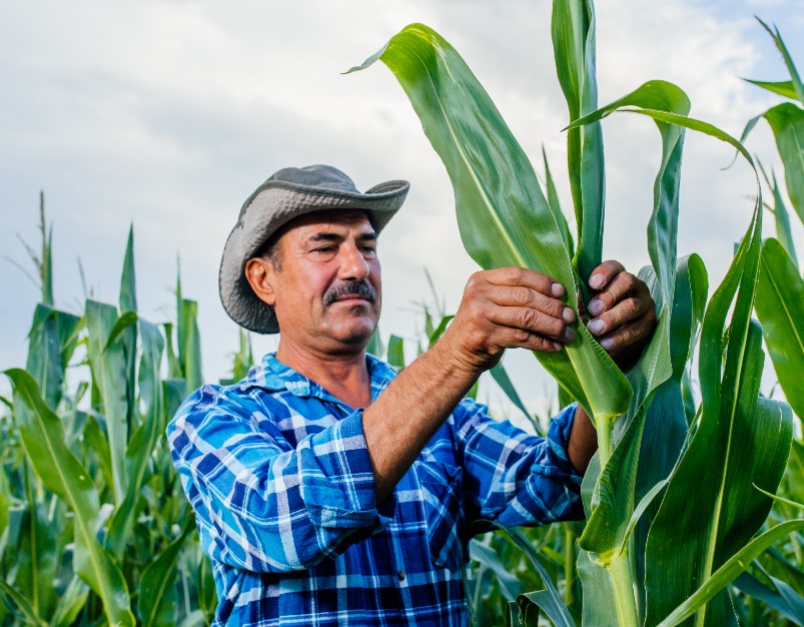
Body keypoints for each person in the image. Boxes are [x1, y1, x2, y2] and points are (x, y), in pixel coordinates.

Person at [167, 165, 656, 626]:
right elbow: (280, 522)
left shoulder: (446, 419)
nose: (356, 266)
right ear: (263, 279)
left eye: (367, 246)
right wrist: (456, 355)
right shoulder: (218, 417)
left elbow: (557, 479)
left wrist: (609, 366)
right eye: (324, 248)